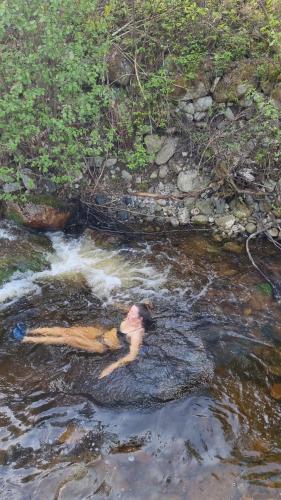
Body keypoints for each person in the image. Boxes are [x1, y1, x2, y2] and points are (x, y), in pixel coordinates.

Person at [11, 303, 152, 379]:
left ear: (140, 319)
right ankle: (29, 330)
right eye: (130, 310)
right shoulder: (134, 315)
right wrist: (111, 302)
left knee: (68, 339)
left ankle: (25, 339)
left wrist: (111, 367)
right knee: (66, 330)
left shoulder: (136, 335)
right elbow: (133, 307)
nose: (128, 313)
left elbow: (132, 356)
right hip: (103, 332)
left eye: (132, 313)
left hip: (102, 345)